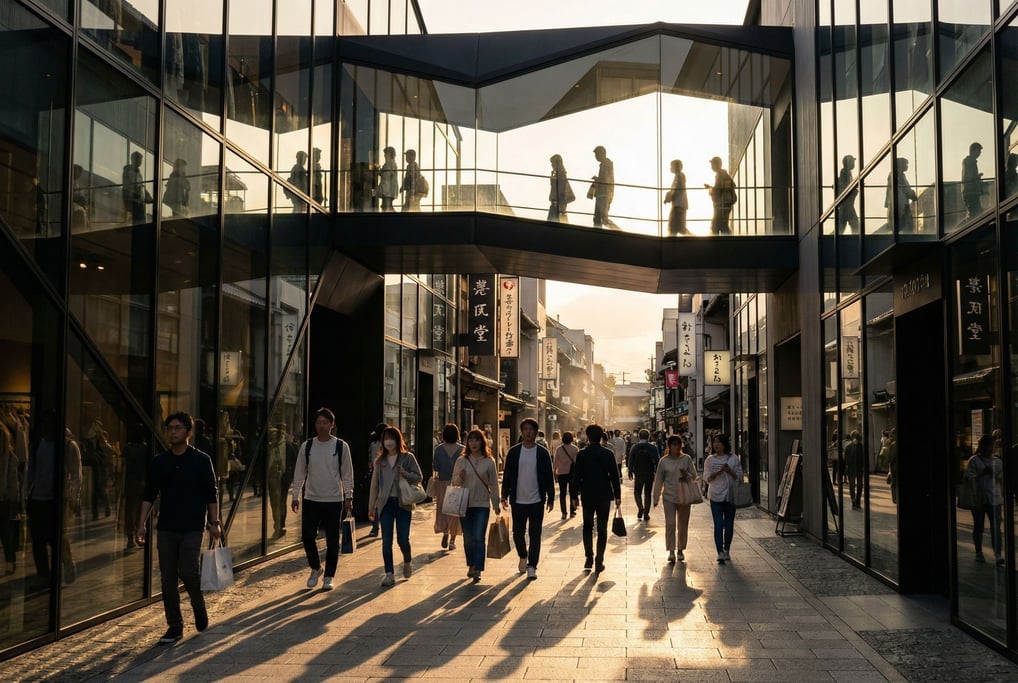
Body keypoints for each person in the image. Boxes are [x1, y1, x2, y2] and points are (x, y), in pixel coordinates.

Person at [136, 412, 219, 645]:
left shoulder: (202, 460)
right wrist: (141, 524)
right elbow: (149, 495)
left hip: (193, 526)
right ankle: (175, 626)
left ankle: (198, 604)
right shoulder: (160, 462)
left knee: (189, 571)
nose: (172, 431)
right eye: (170, 428)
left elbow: (211, 493)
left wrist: (215, 522)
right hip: (166, 528)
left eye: (178, 428)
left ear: (189, 433)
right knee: (167, 578)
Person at [290, 408, 354, 591]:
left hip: (333, 499)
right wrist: (295, 495)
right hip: (311, 498)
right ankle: (316, 567)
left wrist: (349, 496)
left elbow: (347, 474)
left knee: (333, 541)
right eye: (319, 422)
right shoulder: (307, 446)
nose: (322, 426)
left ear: (332, 425)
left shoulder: (341, 446)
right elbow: (299, 472)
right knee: (308, 536)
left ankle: (329, 576)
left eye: (325, 422)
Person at [26, 410, 80, 585]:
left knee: (57, 536)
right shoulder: (37, 446)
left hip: (58, 499)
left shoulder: (68, 446)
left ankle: (66, 563)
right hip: (38, 498)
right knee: (38, 540)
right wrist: (26, 493)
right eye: (44, 424)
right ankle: (44, 574)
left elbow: (76, 474)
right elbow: (31, 473)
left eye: (50, 424)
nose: (46, 428)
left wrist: (73, 497)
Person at [500, 417, 555, 581]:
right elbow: (508, 475)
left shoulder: (543, 453)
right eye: (525, 429)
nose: (528, 432)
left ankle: (532, 566)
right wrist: (504, 495)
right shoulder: (514, 452)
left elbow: (548, 477)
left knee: (535, 534)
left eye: (531, 429)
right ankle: (523, 555)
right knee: (517, 533)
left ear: (536, 432)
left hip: (537, 500)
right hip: (518, 500)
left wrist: (551, 497)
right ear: (521, 431)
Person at [367, 426, 422, 587]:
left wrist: (405, 473)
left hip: (403, 503)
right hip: (385, 505)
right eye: (385, 439)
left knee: (403, 539)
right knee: (386, 541)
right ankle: (389, 573)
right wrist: (371, 507)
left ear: (398, 440)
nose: (388, 442)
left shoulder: (407, 457)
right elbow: (374, 486)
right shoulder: (380, 461)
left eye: (391, 438)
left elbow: (419, 477)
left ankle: (407, 560)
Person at [571, 423, 621, 574]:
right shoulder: (607, 454)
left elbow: (576, 477)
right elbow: (614, 476)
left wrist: (574, 496)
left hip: (587, 495)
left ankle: (588, 557)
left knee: (587, 527)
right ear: (601, 436)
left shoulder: (582, 454)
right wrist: (617, 495)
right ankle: (599, 560)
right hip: (604, 495)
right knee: (602, 528)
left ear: (587, 436)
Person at [452, 429, 501, 583]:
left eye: (476, 440)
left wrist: (496, 503)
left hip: (482, 504)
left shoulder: (489, 461)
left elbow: (494, 483)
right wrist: (460, 477)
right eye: (471, 440)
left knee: (479, 537)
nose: (473, 443)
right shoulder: (462, 460)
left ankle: (478, 568)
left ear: (482, 442)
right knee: (468, 538)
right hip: (464, 503)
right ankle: (471, 564)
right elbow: (454, 482)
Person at [652, 434, 698, 563]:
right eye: (673, 444)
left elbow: (694, 476)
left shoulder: (686, 459)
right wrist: (655, 498)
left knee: (683, 524)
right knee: (670, 523)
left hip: (684, 496)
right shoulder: (664, 461)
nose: (676, 447)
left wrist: (687, 474)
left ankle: (680, 549)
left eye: (678, 444)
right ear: (669, 446)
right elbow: (659, 481)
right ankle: (671, 550)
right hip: (669, 497)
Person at [964, 434, 1003, 565]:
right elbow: (967, 479)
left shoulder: (998, 462)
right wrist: (981, 474)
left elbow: (1002, 479)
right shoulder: (974, 460)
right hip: (978, 499)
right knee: (978, 526)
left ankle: (998, 554)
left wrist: (997, 476)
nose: (990, 448)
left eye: (992, 446)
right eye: (987, 445)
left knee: (995, 528)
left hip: (995, 498)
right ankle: (979, 552)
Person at [703, 433, 742, 562]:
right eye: (715, 442)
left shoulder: (733, 458)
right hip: (715, 496)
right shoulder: (710, 460)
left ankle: (727, 549)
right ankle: (719, 551)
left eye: (719, 442)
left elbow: (740, 477)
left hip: (731, 496)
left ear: (725, 444)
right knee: (718, 525)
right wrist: (719, 471)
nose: (716, 445)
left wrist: (729, 471)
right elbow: (707, 478)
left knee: (729, 525)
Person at [432, 423, 463, 550]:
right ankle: (452, 540)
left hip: (442, 483)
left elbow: (435, 467)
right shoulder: (462, 449)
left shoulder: (439, 449)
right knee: (455, 512)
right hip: (457, 483)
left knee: (442, 509)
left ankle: (445, 531)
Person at [121, 423, 148, 551]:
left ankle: (130, 538)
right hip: (141, 482)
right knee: (141, 510)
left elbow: (123, 466)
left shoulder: (127, 448)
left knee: (129, 510)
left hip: (129, 482)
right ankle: (139, 535)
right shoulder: (145, 449)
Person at [0, 423, 22, 575]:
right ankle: (10, 560)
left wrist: (10, 498)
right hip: (6, 500)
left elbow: (13, 482)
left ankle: (10, 560)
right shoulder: (11, 457)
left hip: (5, 501)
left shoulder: (11, 458)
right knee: (6, 533)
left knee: (6, 534)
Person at [628, 429, 659, 521]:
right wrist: (658, 472)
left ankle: (640, 507)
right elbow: (657, 460)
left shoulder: (635, 447)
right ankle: (646, 513)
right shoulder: (652, 448)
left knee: (637, 492)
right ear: (649, 436)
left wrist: (630, 470)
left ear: (639, 436)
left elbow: (630, 459)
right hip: (649, 473)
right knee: (647, 493)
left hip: (638, 473)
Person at [705, 156, 736, 235]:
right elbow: (722, 187)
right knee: (721, 225)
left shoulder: (721, 175)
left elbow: (720, 189)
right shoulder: (722, 174)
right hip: (724, 203)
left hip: (722, 203)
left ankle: (722, 242)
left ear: (717, 164)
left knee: (717, 225)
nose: (711, 166)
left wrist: (711, 189)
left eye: (712, 164)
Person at [886, 157, 917, 232]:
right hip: (902, 204)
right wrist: (912, 194)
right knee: (907, 225)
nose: (907, 166)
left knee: (898, 226)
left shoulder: (893, 174)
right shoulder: (898, 174)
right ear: (901, 165)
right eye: (906, 164)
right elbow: (906, 189)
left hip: (897, 204)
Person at [590, 146, 617, 229]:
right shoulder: (604, 164)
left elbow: (606, 179)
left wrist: (597, 179)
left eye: (597, 154)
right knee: (597, 219)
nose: (596, 157)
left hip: (604, 194)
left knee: (603, 219)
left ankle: (618, 232)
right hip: (601, 194)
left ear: (602, 154)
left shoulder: (607, 163)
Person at [553, 431, 578, 520]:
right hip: (572, 474)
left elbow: (555, 462)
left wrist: (555, 472)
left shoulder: (559, 449)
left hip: (561, 473)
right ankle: (572, 511)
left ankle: (564, 513)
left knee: (562, 494)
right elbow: (576, 462)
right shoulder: (575, 449)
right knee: (572, 493)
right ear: (571, 439)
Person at [122, 150, 152, 224]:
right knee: (138, 221)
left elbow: (140, 185)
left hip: (138, 200)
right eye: (139, 159)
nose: (140, 162)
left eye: (140, 160)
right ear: (133, 159)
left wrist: (147, 196)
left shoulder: (137, 172)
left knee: (140, 220)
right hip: (133, 200)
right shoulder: (129, 171)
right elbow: (133, 185)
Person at [664, 159, 689, 236]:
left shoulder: (679, 176)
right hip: (680, 205)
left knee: (674, 227)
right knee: (678, 227)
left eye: (672, 166)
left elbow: (676, 190)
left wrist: (668, 198)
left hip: (678, 205)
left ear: (676, 167)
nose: (670, 168)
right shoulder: (680, 176)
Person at [835, 154, 859, 234]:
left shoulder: (846, 173)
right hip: (847, 205)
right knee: (855, 225)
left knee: (842, 226)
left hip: (845, 205)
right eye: (852, 162)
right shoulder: (846, 173)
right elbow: (846, 188)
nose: (854, 164)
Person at [548, 154, 574, 223]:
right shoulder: (560, 174)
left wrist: (553, 180)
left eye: (552, 163)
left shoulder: (561, 175)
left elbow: (559, 190)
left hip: (557, 205)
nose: (551, 165)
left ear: (557, 164)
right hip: (558, 205)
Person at [961, 142, 983, 219]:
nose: (980, 153)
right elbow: (970, 177)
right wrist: (977, 177)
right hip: (971, 192)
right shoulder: (970, 161)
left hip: (969, 192)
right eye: (979, 151)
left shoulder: (968, 161)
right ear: (974, 150)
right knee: (975, 213)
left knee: (975, 212)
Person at [844, 430, 865, 510]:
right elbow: (846, 459)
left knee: (859, 485)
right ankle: (853, 501)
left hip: (859, 469)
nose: (855, 439)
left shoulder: (861, 446)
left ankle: (857, 501)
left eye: (856, 437)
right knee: (852, 486)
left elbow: (863, 458)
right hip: (851, 469)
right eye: (854, 437)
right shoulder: (849, 447)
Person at [378, 146, 399, 211]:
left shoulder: (389, 163)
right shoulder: (392, 163)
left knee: (386, 208)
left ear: (389, 154)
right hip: (389, 190)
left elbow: (386, 177)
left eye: (385, 153)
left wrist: (382, 190)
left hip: (387, 191)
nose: (384, 155)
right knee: (387, 206)